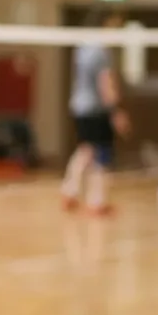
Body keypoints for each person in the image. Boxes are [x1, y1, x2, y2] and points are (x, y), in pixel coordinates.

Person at [61, 12, 130, 216]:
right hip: (95, 109)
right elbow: (105, 83)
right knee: (101, 153)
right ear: (106, 24)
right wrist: (116, 111)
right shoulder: (101, 51)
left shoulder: (83, 48)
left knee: (86, 149)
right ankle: (96, 200)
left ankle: (69, 189)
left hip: (79, 106)